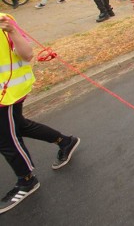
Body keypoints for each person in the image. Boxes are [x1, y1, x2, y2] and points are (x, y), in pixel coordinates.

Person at [0, 14, 80, 214]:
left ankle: (26, 180)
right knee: (20, 126)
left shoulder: (4, 21)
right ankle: (65, 141)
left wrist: (12, 31)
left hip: (7, 92)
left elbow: (27, 54)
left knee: (5, 139)